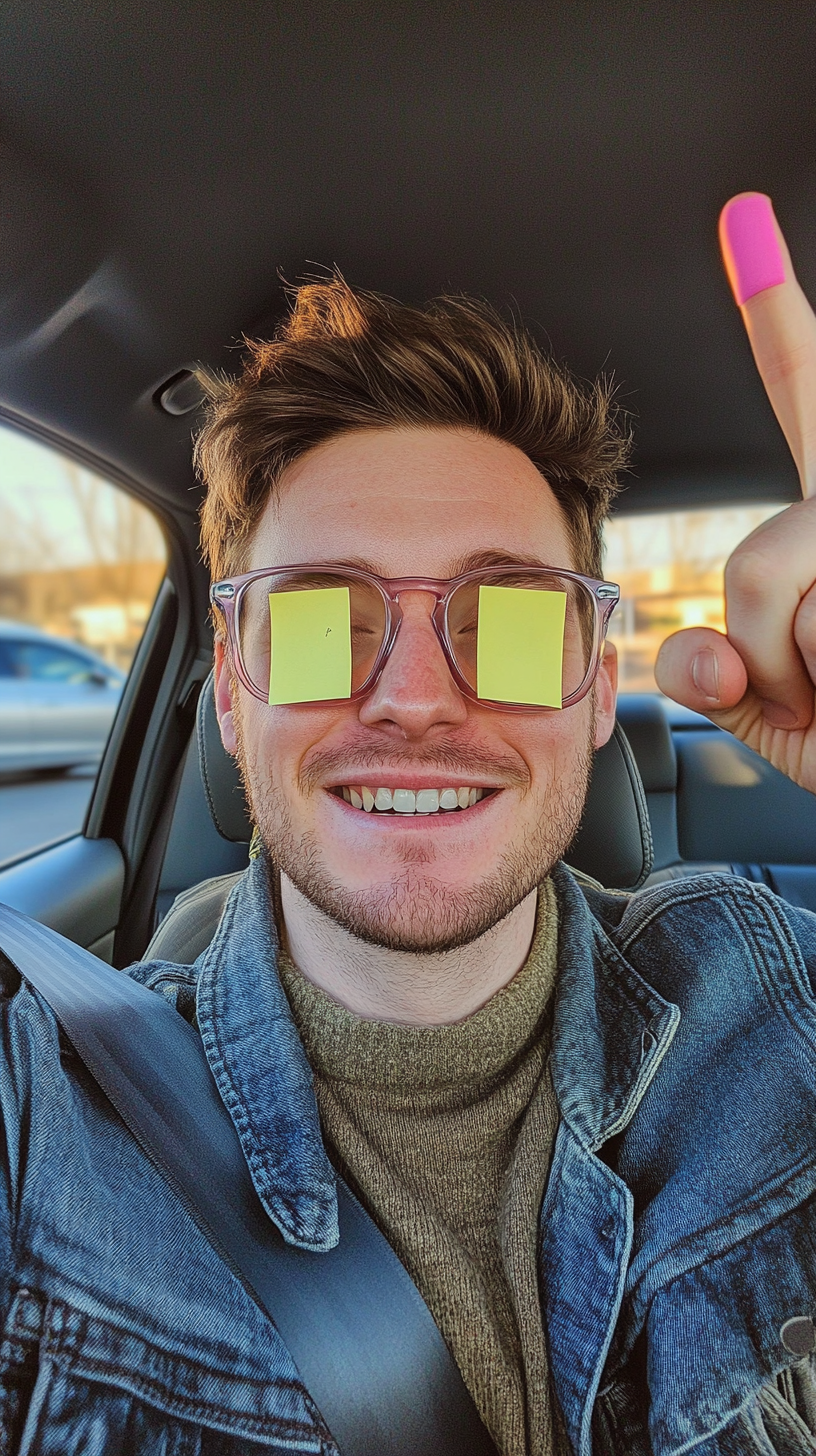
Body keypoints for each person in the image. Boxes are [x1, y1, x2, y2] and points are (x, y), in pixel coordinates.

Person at [1, 192, 816, 1455]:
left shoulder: (780, 1020)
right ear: (228, 682)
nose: (420, 700)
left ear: (600, 680)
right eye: (326, 619)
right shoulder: (45, 1119)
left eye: (517, 618)